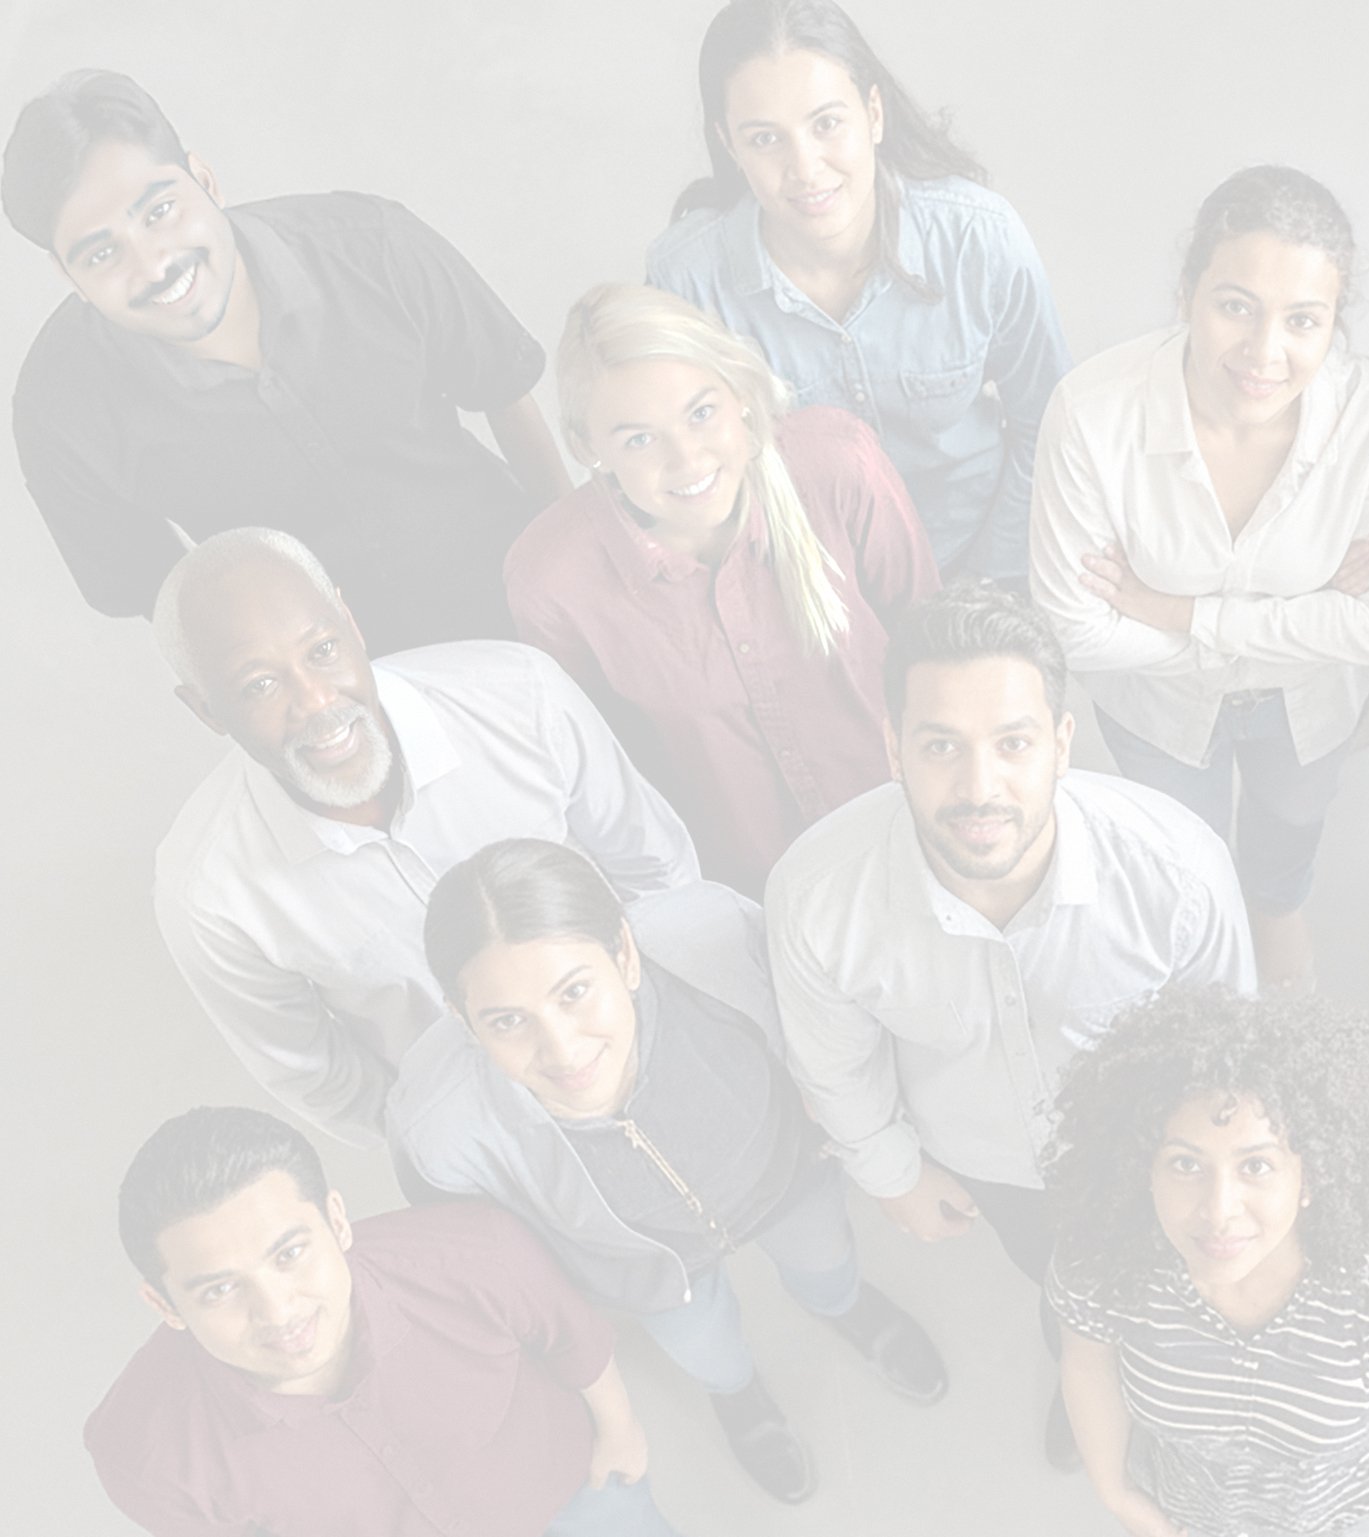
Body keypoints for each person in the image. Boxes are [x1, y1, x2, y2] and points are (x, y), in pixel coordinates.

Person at [766, 583, 1256, 1466]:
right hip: (987, 1160)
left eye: (1014, 743)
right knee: (1061, 1284)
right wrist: (890, 1172)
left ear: (1062, 744)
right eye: (941, 745)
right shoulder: (816, 896)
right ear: (893, 747)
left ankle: (1173, 1388)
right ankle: (1087, 1372)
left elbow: (1232, 1059)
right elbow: (835, 1065)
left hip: (1151, 1147)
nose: (978, 786)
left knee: (1182, 1284)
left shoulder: (1177, 871)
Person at [391, 841, 949, 1505]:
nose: (563, 1049)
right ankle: (738, 1396)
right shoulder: (438, 1128)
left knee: (825, 1258)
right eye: (507, 1021)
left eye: (574, 991)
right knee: (708, 1351)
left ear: (624, 955)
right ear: (462, 1020)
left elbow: (828, 1034)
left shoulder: (710, 934)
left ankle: (847, 1307)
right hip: (649, 1272)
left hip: (785, 1174)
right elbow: (491, 1258)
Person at [150, 529, 700, 1145]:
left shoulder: (521, 696)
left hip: (659, 1048)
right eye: (259, 686)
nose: (316, 701)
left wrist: (670, 1047)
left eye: (324, 649)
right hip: (495, 1145)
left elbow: (659, 877)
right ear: (205, 711)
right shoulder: (208, 893)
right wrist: (479, 1154)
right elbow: (320, 1077)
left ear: (351, 623)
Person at [1027, 166, 1369, 987]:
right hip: (1160, 707)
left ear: (1335, 326)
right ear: (1187, 293)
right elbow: (1073, 630)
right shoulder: (1092, 413)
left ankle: (1276, 905)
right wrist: (1308, 614)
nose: (1264, 353)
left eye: (1303, 321)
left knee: (1290, 823)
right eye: (1235, 305)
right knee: (1184, 856)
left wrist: (1173, 610)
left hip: (1306, 705)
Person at [4, 70, 569, 654]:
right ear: (67, 275)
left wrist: (579, 586)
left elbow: (504, 390)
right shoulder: (60, 415)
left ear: (206, 180)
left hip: (522, 598)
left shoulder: (373, 244)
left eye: (160, 212)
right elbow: (160, 592)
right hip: (334, 687)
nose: (152, 265)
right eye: (101, 252)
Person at [506, 282, 940, 894]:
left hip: (920, 841)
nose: (686, 460)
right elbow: (610, 779)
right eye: (638, 439)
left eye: (701, 413)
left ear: (739, 392)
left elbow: (937, 644)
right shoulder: (553, 580)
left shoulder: (836, 463)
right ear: (587, 449)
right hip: (747, 897)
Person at [85, 1106, 682, 1537]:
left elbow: (575, 1339)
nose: (278, 1310)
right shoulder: (144, 1454)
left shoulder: (475, 1255)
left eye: (290, 1254)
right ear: (165, 1306)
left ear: (337, 1223)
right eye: (219, 1289)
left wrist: (621, 1432)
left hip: (575, 1494)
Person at [1047, 988, 1369, 1537]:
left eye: (1256, 1166)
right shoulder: (1102, 1258)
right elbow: (1087, 1364)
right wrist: (1115, 1492)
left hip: (1367, 1510)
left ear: (1310, 1176)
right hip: (1192, 1508)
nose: (1218, 1212)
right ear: (1142, 1168)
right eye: (1186, 1163)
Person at [649, 0, 1070, 583]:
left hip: (984, 561)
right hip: (805, 587)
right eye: (766, 139)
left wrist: (984, 582)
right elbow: (692, 478)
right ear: (729, 145)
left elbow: (1050, 425)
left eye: (826, 124)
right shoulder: (686, 281)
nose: (805, 168)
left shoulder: (979, 237)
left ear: (874, 113)